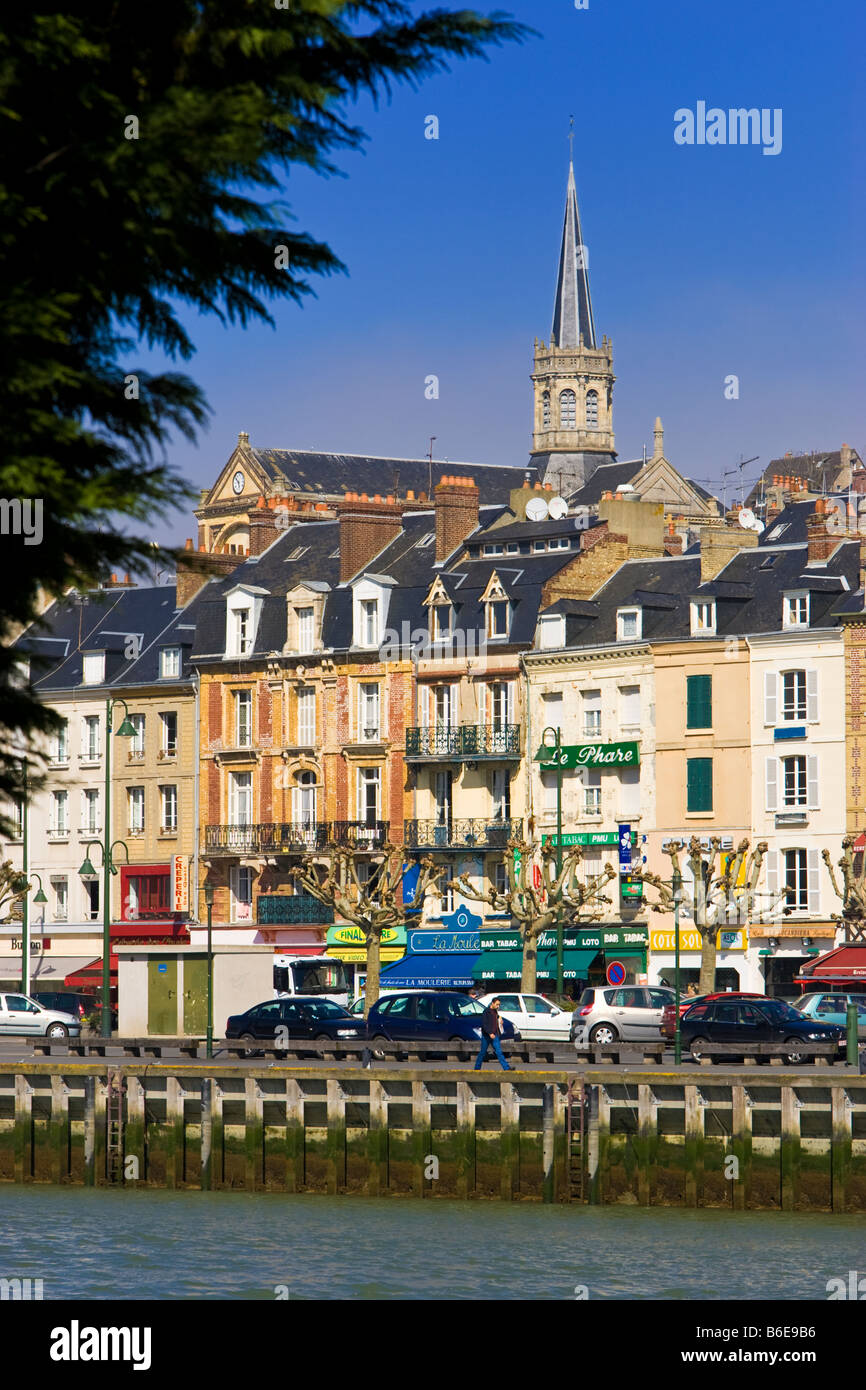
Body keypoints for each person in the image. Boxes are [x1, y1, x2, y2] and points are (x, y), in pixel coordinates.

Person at [474, 997, 512, 1071]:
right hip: (486, 1036)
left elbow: (497, 1018)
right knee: (482, 1052)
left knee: (499, 1052)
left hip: (495, 1035)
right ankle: (477, 1068)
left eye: (499, 1005)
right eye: (497, 1004)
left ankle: (506, 1068)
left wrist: (500, 1020)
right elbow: (484, 1024)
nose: (498, 1006)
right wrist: (490, 1033)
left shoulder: (495, 1011)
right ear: (492, 1003)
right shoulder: (486, 1012)